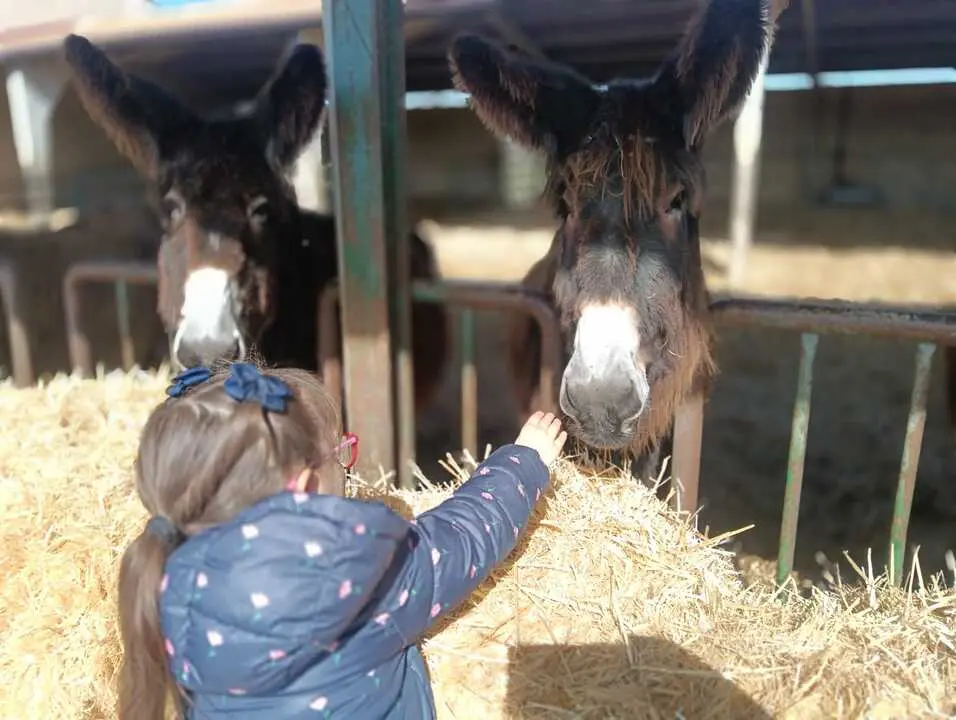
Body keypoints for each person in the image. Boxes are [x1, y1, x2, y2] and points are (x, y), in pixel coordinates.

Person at [117, 359, 567, 719]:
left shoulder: (168, 580)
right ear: (307, 488)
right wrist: (524, 462)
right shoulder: (352, 571)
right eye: (340, 453)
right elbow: (462, 541)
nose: (348, 464)